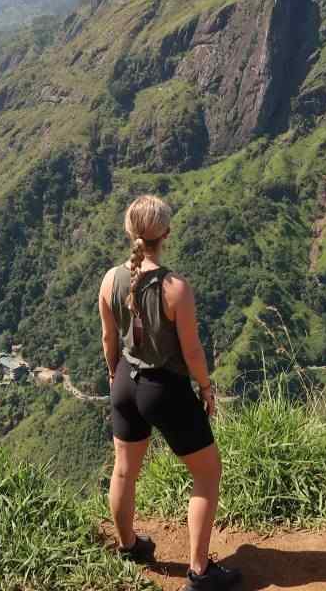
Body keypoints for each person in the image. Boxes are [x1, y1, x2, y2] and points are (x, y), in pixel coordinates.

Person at [99, 195, 241, 591]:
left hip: (125, 383)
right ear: (166, 234)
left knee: (124, 469)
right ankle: (199, 573)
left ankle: (129, 546)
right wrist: (206, 387)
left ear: (131, 233)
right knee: (207, 473)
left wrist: (115, 376)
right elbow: (192, 350)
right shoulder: (175, 288)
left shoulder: (111, 280)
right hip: (165, 389)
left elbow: (109, 337)